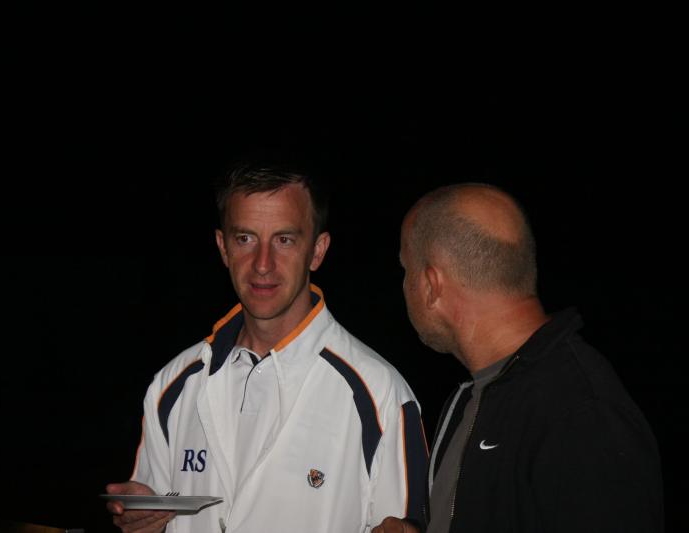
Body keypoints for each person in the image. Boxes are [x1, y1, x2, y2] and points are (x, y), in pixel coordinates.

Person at [106, 163, 428, 532]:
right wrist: (143, 519)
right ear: (223, 247)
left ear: (317, 250)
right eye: (245, 238)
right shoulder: (173, 385)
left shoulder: (379, 393)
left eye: (284, 240)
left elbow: (404, 525)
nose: (262, 264)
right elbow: (150, 518)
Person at [374, 182, 663, 532]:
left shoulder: (581, 415)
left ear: (431, 285)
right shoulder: (474, 398)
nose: (403, 285)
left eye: (406, 269)